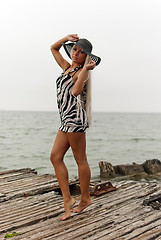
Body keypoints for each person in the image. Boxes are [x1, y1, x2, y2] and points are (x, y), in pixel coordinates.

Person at [50, 34, 101, 220]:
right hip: (65, 120)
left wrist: (86, 69)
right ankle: (69, 199)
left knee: (81, 160)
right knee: (55, 157)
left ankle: (85, 199)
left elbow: (76, 91)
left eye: (81, 52)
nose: (76, 53)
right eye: (74, 49)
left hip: (75, 120)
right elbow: (53, 48)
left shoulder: (82, 72)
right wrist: (65, 38)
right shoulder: (67, 68)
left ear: (86, 57)